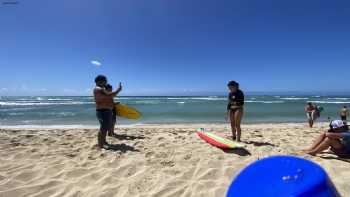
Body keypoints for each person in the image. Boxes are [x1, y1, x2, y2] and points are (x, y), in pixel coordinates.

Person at [93, 75, 122, 149]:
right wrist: (118, 90)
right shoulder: (98, 89)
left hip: (105, 111)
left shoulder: (101, 89)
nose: (106, 82)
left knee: (104, 128)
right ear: (99, 81)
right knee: (103, 128)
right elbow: (110, 95)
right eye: (105, 81)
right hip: (103, 111)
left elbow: (107, 99)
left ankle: (103, 142)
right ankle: (100, 145)